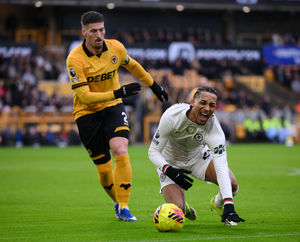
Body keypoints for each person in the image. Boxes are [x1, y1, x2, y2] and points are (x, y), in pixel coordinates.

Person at [66, 11, 168, 222]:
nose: (98, 35)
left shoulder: (116, 47)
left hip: (112, 107)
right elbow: (84, 97)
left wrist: (153, 85)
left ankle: (124, 207)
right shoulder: (75, 59)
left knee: (120, 149)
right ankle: (116, 202)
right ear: (84, 32)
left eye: (101, 29)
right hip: (86, 113)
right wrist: (118, 92)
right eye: (93, 31)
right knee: (104, 171)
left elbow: (133, 65)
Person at [148, 86, 245, 226]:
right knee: (177, 210)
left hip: (198, 159)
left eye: (212, 105)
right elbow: (153, 151)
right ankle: (184, 206)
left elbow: (221, 166)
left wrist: (228, 204)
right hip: (169, 162)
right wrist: (168, 170)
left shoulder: (214, 130)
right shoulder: (172, 116)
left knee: (232, 183)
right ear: (192, 102)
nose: (207, 108)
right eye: (203, 103)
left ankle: (217, 203)